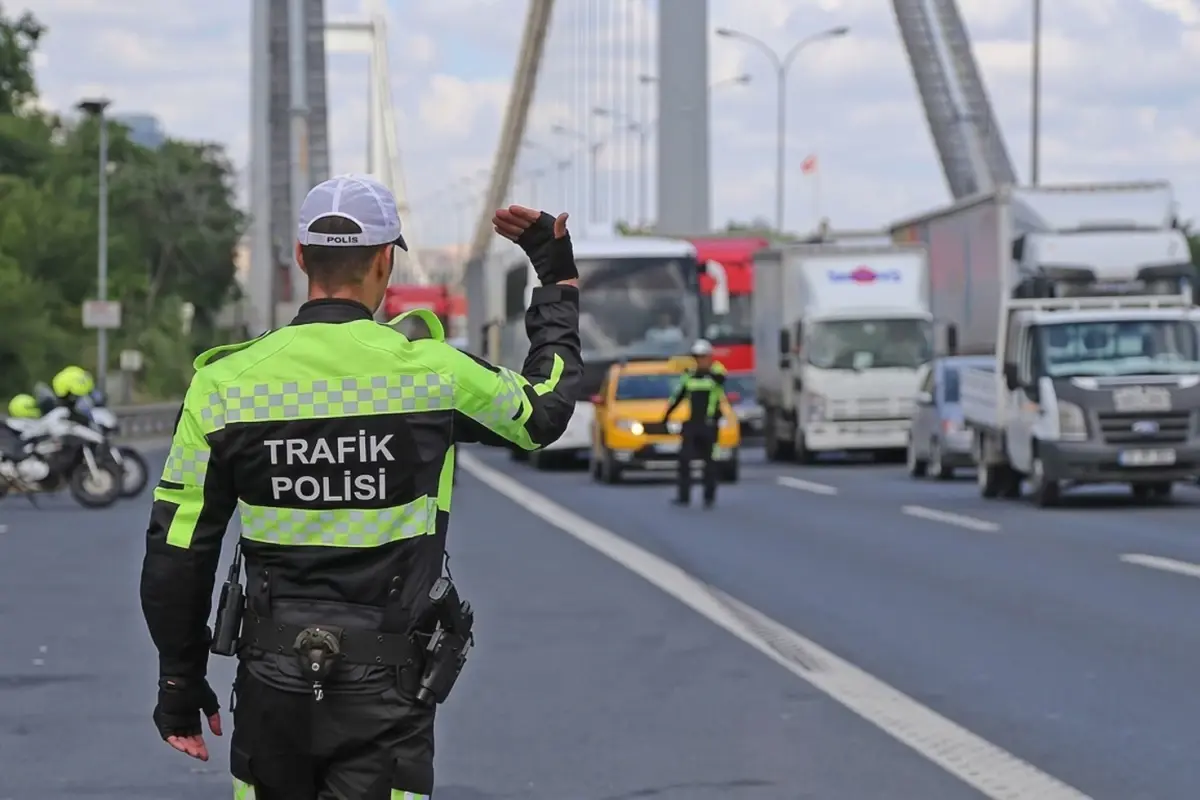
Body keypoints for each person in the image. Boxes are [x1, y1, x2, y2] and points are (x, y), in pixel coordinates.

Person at [139, 173, 582, 799]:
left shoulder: (225, 385)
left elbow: (177, 550)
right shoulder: (432, 374)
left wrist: (179, 681)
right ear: (384, 261)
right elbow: (545, 412)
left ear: (300, 258)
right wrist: (555, 277)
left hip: (272, 682)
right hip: (389, 685)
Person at [662, 339, 727, 508]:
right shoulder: (689, 376)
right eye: (697, 357)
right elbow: (678, 396)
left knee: (710, 462)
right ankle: (684, 496)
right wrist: (666, 415)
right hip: (693, 423)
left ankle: (709, 497)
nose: (700, 360)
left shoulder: (716, 372)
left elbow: (721, 378)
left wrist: (707, 371)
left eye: (703, 356)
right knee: (684, 459)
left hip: (710, 423)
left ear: (709, 357)